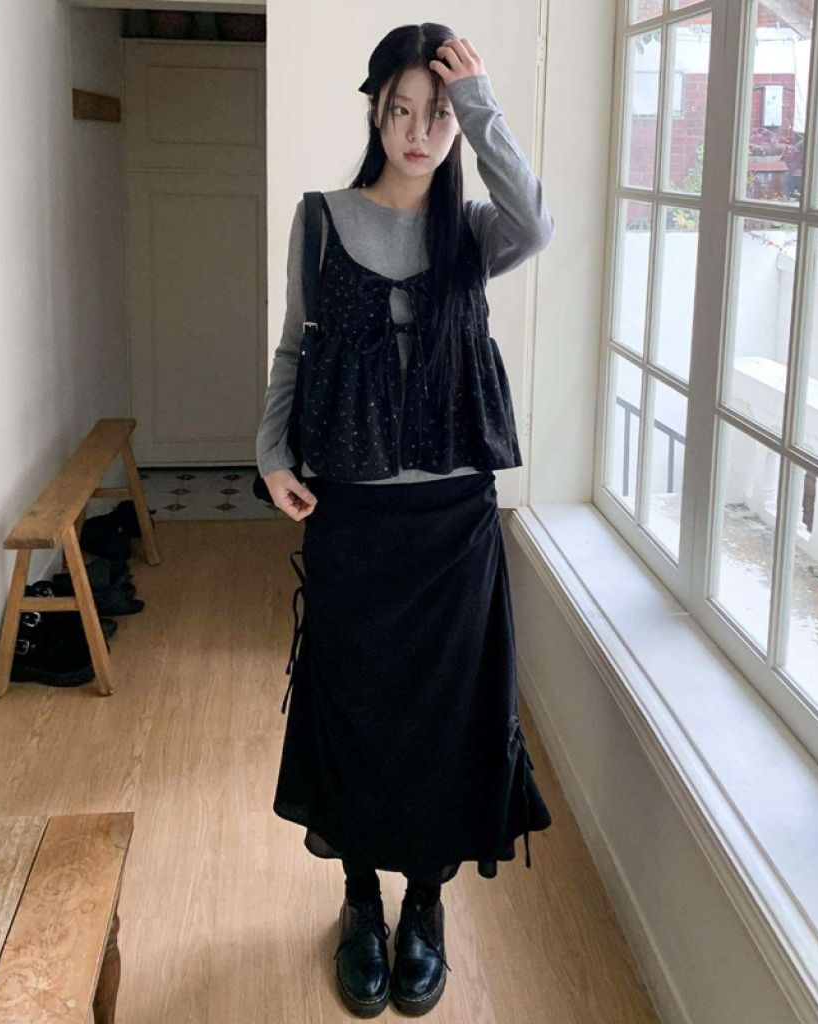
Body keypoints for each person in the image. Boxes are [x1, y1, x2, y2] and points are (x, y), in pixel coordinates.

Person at [255, 24, 555, 1018]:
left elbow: (538, 220)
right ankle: (359, 897)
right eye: (401, 110)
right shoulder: (321, 219)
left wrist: (481, 100)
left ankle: (424, 901)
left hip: (453, 523)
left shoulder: (472, 233)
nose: (418, 131)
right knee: (356, 709)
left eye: (436, 114)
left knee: (444, 717)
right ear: (375, 113)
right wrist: (268, 454)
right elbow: (295, 347)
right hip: (352, 517)